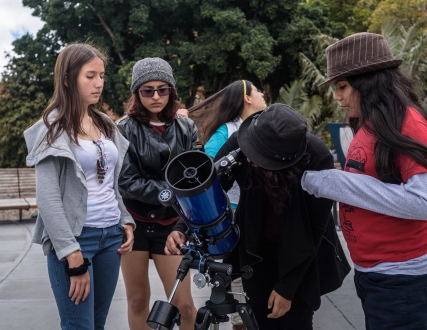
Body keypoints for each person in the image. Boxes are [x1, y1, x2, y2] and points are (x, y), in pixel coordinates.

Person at [166, 103, 351, 329]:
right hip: (257, 249)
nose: (249, 158)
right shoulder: (244, 140)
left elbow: (315, 229)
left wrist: (287, 287)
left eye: (258, 157)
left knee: (296, 320)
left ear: (282, 160)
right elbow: (210, 187)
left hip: (301, 251)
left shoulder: (317, 157)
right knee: (261, 320)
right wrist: (180, 227)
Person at [301, 32, 427, 330]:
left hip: (403, 280)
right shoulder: (372, 124)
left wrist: (334, 182)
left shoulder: (407, 123)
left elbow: (423, 202)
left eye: (342, 86)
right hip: (373, 273)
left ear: (370, 82)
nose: (337, 96)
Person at [23, 43, 135, 330]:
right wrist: (73, 255)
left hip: (110, 238)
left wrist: (125, 220)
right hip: (76, 240)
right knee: (79, 326)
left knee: (97, 325)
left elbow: (111, 180)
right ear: (67, 79)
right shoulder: (52, 129)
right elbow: (48, 199)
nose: (99, 83)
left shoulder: (105, 124)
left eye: (102, 75)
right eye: (90, 76)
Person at [118, 57, 198, 330]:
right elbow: (127, 181)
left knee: (184, 305)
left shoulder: (186, 128)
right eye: (147, 90)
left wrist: (181, 218)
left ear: (171, 91)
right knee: (138, 300)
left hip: (171, 226)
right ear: (136, 94)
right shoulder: (123, 129)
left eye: (162, 89)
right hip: (135, 224)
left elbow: (195, 175)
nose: (155, 96)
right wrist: (170, 193)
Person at [189, 79, 266, 330]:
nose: (263, 94)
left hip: (260, 219)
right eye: (257, 91)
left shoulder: (263, 125)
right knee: (238, 293)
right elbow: (206, 169)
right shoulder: (228, 131)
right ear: (246, 98)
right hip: (234, 220)